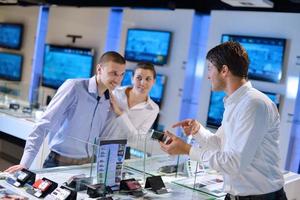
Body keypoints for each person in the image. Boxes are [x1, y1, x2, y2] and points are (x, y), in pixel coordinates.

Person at [160, 41, 287, 199]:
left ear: (224, 70)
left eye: (210, 68)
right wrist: (198, 131)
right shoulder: (235, 102)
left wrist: (186, 149)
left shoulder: (254, 104)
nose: (208, 75)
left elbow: (234, 163)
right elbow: (220, 146)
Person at [5, 51, 126, 172]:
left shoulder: (109, 100)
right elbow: (44, 123)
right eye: (114, 73)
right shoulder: (74, 87)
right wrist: (25, 164)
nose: (118, 80)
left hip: (87, 167)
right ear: (99, 69)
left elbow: (105, 135)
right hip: (59, 163)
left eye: (121, 75)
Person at [101, 62, 159, 148]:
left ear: (153, 81)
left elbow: (137, 140)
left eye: (148, 79)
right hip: (96, 145)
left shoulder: (153, 109)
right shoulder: (114, 93)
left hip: (121, 153)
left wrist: (120, 113)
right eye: (139, 78)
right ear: (132, 78)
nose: (142, 83)